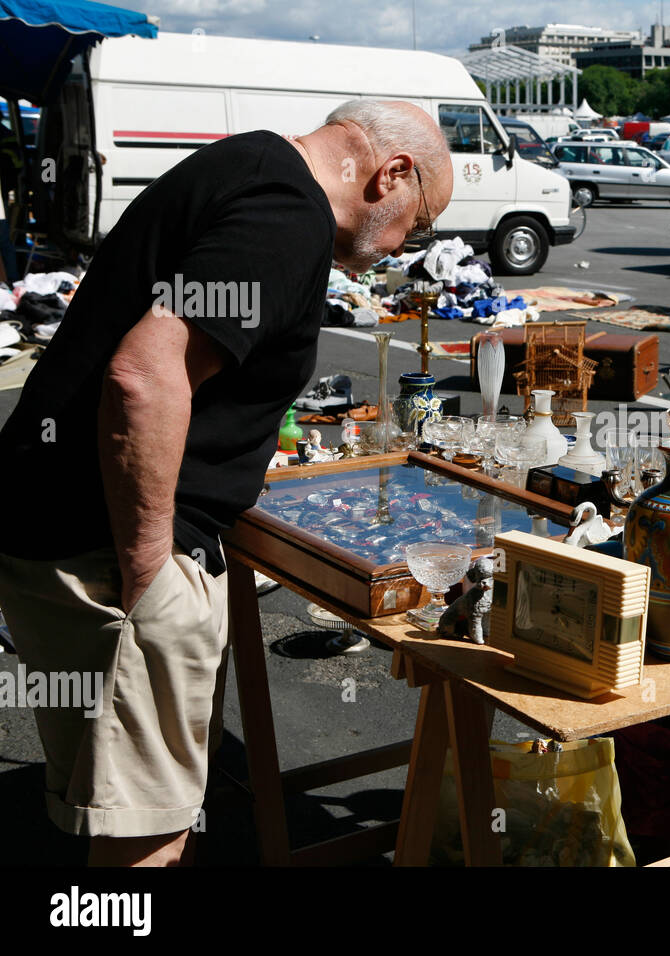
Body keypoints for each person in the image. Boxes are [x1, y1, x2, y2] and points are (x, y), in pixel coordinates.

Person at [0, 100, 452, 866]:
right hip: (109, 552)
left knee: (124, 802)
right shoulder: (287, 216)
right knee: (146, 834)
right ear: (392, 174)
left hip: (66, 529)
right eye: (423, 222)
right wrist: (151, 571)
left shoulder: (252, 164)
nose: (409, 244)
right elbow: (145, 376)